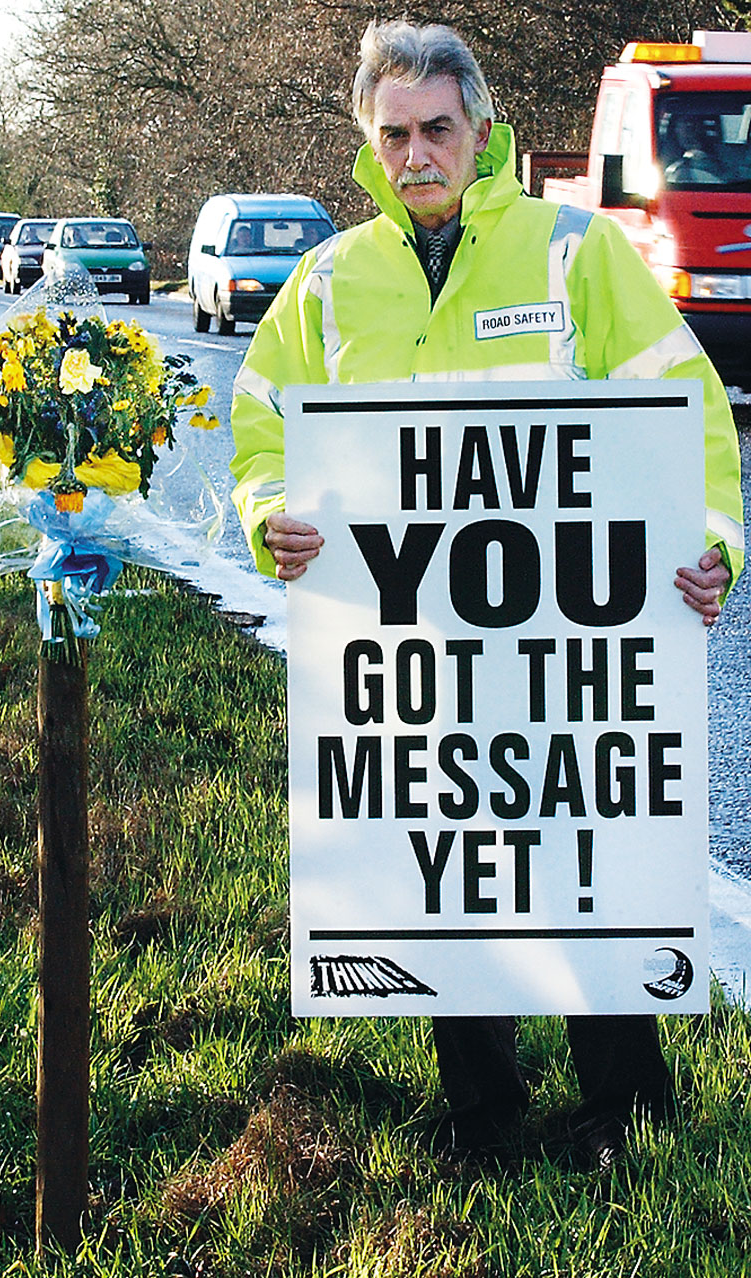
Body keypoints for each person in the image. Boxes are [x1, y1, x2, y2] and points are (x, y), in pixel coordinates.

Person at [230, 20, 744, 1170]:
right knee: (441, 866)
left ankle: (621, 1109)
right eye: (394, 134)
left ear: (480, 130)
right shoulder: (324, 283)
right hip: (415, 647)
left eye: (437, 130)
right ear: (369, 143)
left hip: (568, 646)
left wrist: (711, 543)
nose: (417, 155)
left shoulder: (576, 252)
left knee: (582, 855)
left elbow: (689, 410)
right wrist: (269, 515)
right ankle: (484, 1117)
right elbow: (259, 414)